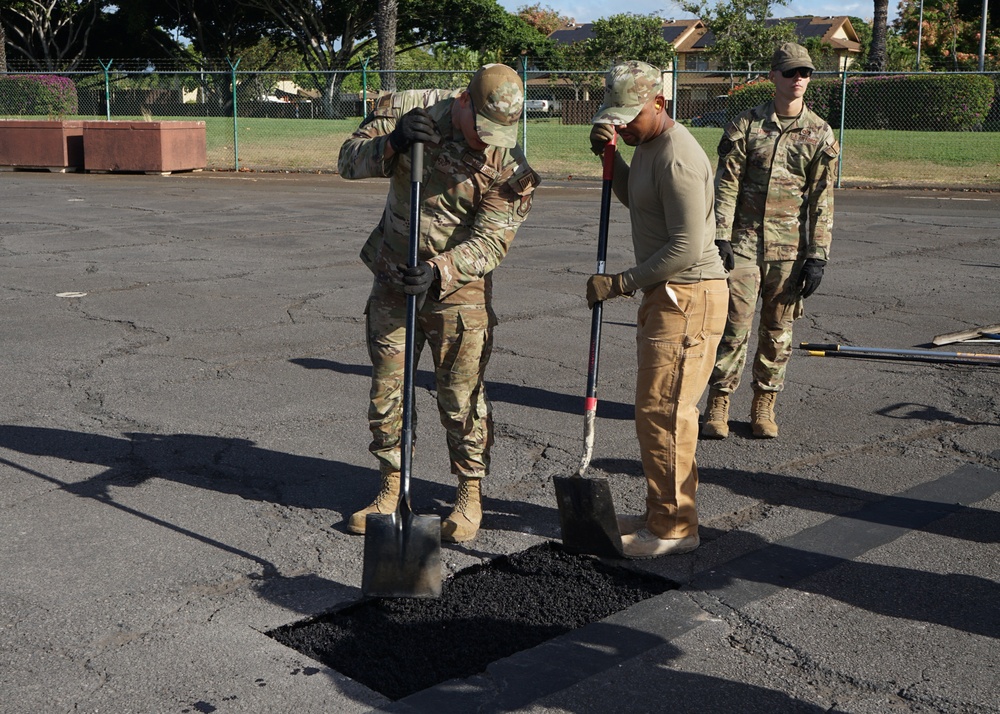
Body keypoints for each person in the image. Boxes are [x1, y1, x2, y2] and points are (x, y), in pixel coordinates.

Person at [337, 64, 540, 543]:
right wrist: (394, 142)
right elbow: (347, 162)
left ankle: (469, 492)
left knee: (461, 397)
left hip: (457, 294)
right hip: (392, 278)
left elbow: (492, 243)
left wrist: (438, 270)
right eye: (480, 129)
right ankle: (391, 486)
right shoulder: (411, 108)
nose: (486, 141)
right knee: (388, 389)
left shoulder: (509, 164)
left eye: (500, 133)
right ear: (464, 101)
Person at [586, 61, 729, 559]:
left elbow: (688, 245)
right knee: (655, 412)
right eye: (615, 117)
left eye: (630, 117)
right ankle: (660, 511)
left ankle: (673, 528)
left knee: (666, 414)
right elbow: (637, 200)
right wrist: (609, 158)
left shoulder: (678, 157)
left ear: (661, 105)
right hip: (666, 295)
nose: (622, 125)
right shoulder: (645, 146)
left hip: (689, 295)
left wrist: (620, 283)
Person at [701, 42, 839, 440]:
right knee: (733, 327)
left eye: (806, 73)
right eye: (792, 72)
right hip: (742, 245)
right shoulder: (746, 125)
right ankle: (719, 402)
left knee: (778, 332)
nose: (800, 79)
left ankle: (764, 403)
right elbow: (726, 184)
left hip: (789, 251)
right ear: (773, 76)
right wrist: (721, 237)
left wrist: (818, 256)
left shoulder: (819, 132)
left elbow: (821, 199)